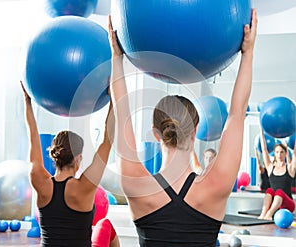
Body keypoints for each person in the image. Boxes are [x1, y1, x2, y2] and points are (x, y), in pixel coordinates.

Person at [108, 8, 257, 247]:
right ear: (196, 130)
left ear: (156, 134)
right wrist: (247, 53)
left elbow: (121, 109)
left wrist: (116, 58)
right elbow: (237, 113)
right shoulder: (216, 183)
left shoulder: (136, 185)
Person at [20, 81, 120, 247]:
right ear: (77, 158)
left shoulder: (40, 182)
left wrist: (27, 101)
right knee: (107, 228)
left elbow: (33, 137)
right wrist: (113, 99)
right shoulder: (85, 186)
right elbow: (107, 141)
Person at [258, 127, 296, 220]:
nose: (279, 155)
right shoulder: (271, 168)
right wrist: (261, 130)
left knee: (279, 192)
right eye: (277, 152)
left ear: (285, 153)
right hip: (275, 204)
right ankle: (263, 213)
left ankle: (269, 214)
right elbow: (264, 149)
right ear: (274, 153)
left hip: (287, 205)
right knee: (270, 191)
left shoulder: (290, 168)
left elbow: (295, 153)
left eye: (282, 152)